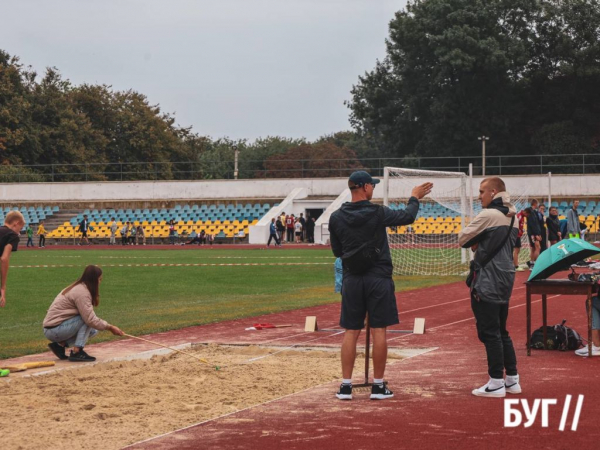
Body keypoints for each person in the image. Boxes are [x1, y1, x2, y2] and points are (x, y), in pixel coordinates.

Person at [329, 170, 432, 401]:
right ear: (365, 187)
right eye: (372, 185)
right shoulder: (377, 213)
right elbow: (408, 216)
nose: (374, 189)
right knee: (379, 330)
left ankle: (345, 386)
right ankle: (377, 386)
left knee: (351, 331)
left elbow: (337, 251)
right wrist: (414, 197)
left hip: (352, 278)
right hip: (378, 277)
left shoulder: (336, 217)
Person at [458, 177, 520, 398]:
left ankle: (496, 382)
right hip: (506, 279)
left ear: (493, 192)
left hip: (487, 280)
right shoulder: (514, 216)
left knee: (489, 333)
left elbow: (463, 238)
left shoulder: (488, 215)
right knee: (502, 331)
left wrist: (479, 240)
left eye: (482, 191)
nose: (479, 196)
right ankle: (512, 380)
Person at [43, 265, 124, 362]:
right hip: (54, 329)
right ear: (94, 280)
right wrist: (110, 327)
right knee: (87, 320)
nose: (100, 282)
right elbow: (90, 319)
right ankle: (77, 351)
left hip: (55, 328)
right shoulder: (82, 292)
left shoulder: (79, 286)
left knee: (93, 331)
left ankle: (60, 345)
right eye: (99, 279)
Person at [0, 211, 26, 307]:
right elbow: (4, 259)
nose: (19, 232)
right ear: (16, 223)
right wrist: (3, 287)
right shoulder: (12, 235)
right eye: (20, 228)